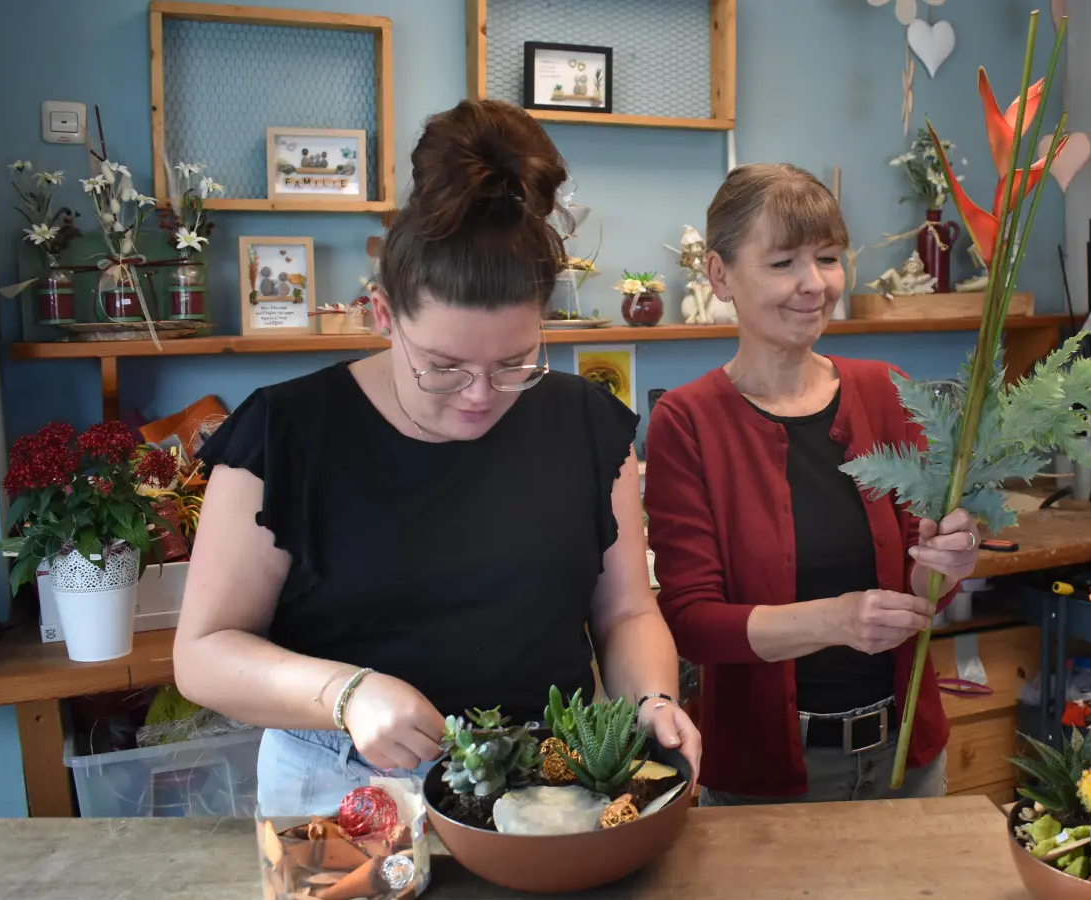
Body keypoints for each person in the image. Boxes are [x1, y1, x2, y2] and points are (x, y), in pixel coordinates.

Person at [173, 98, 699, 815]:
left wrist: (652, 700)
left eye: (516, 364)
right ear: (384, 315)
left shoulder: (585, 423)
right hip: (346, 785)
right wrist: (345, 693)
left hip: (548, 776)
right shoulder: (287, 430)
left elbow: (626, 614)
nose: (481, 396)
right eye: (443, 367)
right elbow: (203, 652)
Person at [642, 163, 982, 806]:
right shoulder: (686, 422)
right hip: (768, 779)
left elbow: (922, 589)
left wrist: (948, 562)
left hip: (905, 763)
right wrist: (837, 620)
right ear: (719, 276)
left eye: (828, 258)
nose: (814, 285)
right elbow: (693, 623)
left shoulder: (885, 390)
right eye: (782, 263)